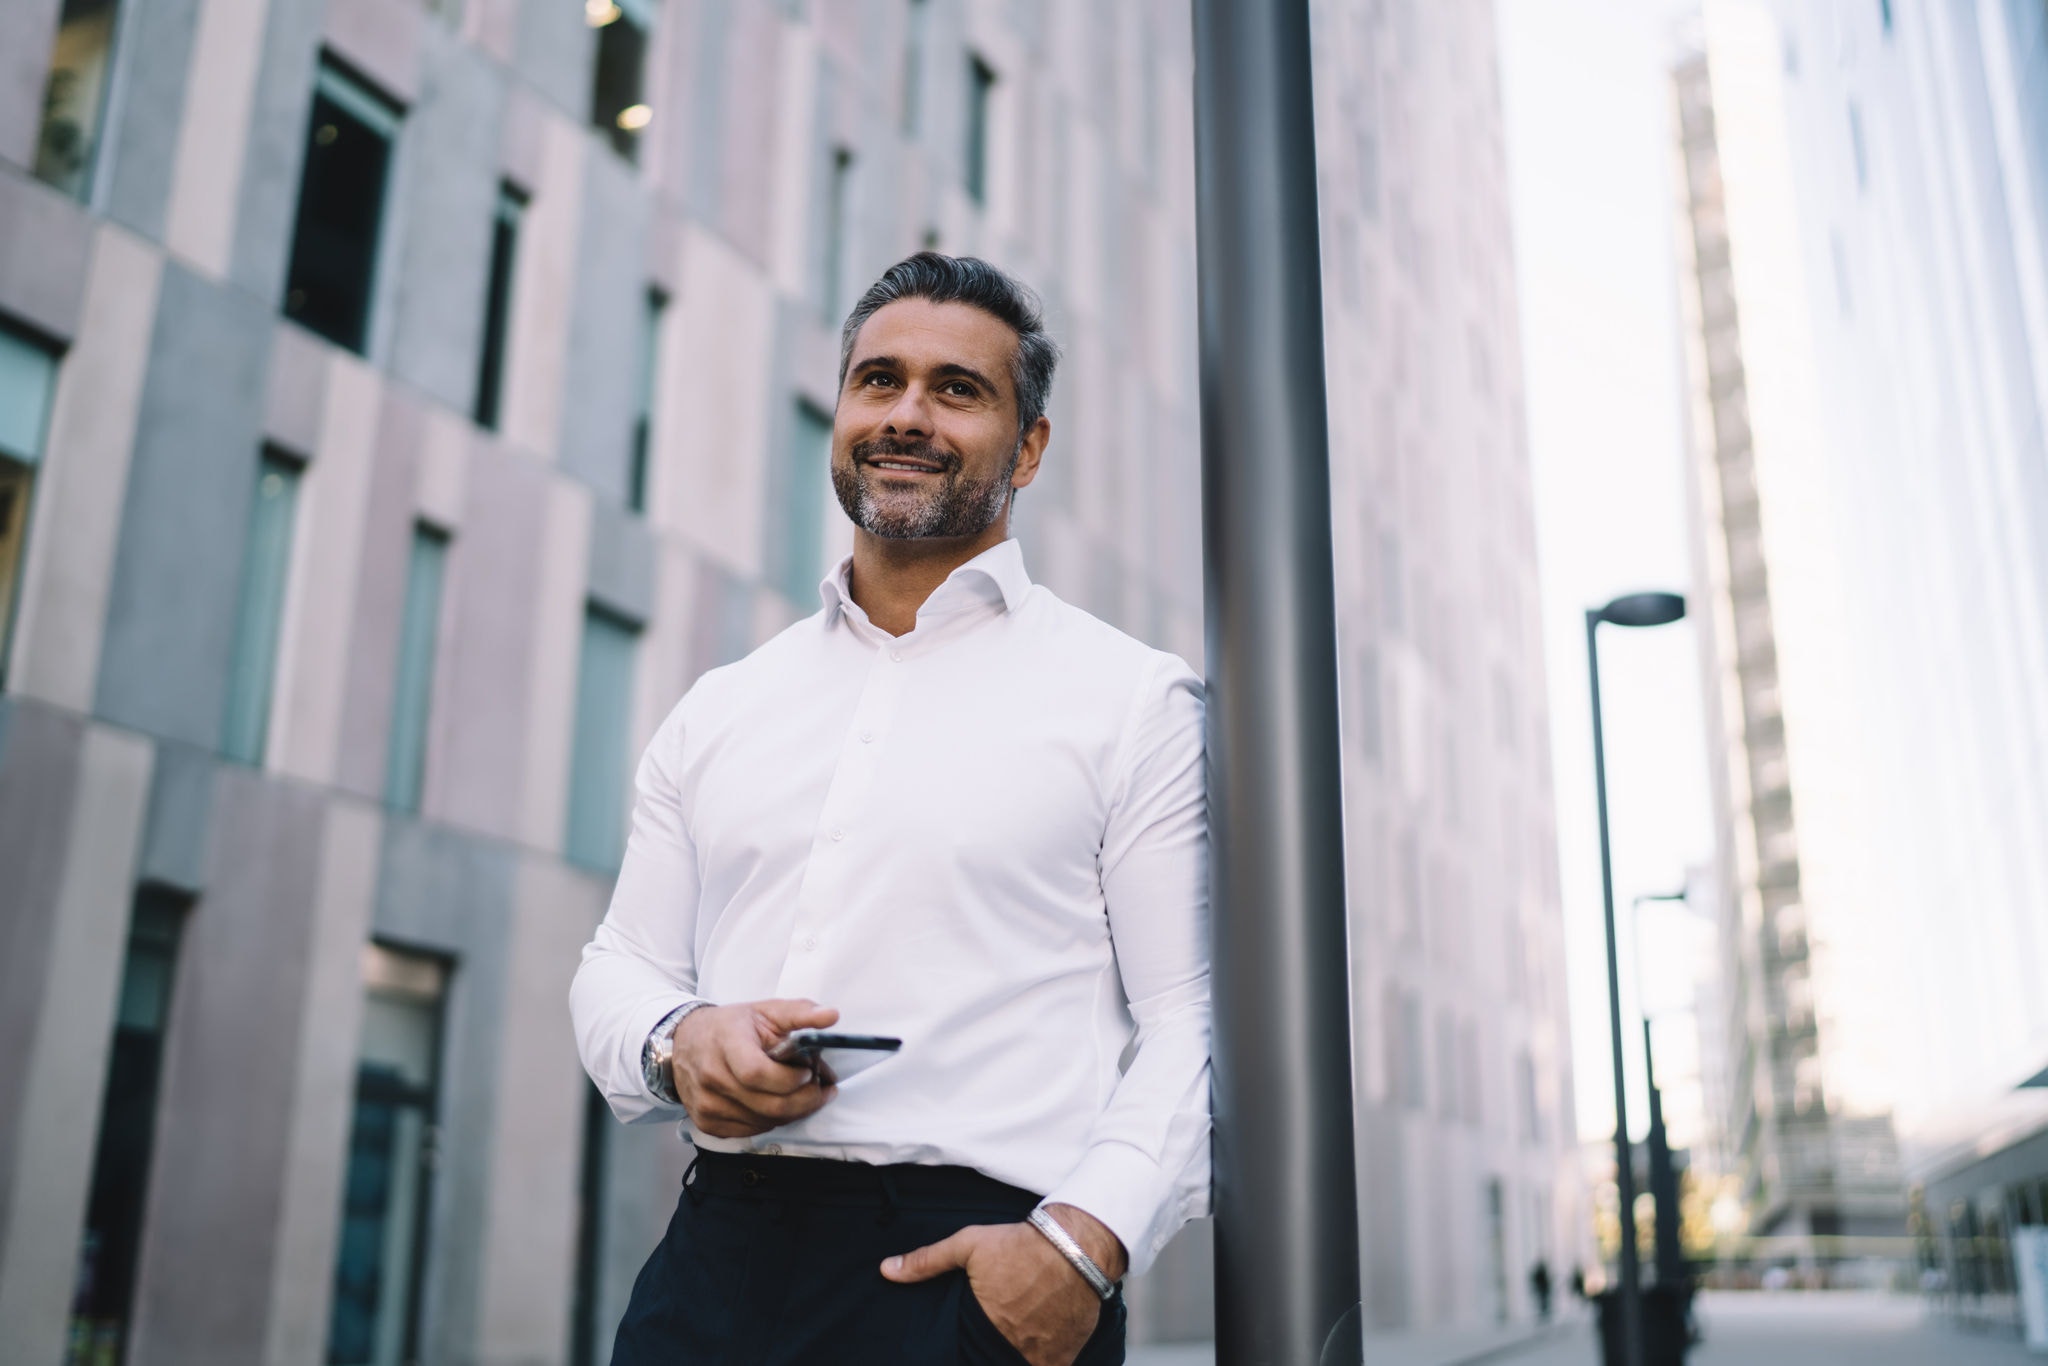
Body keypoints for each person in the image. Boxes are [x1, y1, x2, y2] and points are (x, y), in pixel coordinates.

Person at [571, 253, 1212, 1366]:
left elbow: (1190, 1018)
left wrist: (1082, 1241)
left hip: (977, 1271)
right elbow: (618, 961)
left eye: (956, 389)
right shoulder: (724, 706)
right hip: (714, 1260)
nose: (905, 414)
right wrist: (684, 1044)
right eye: (878, 380)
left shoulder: (1131, 699)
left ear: (1029, 446)